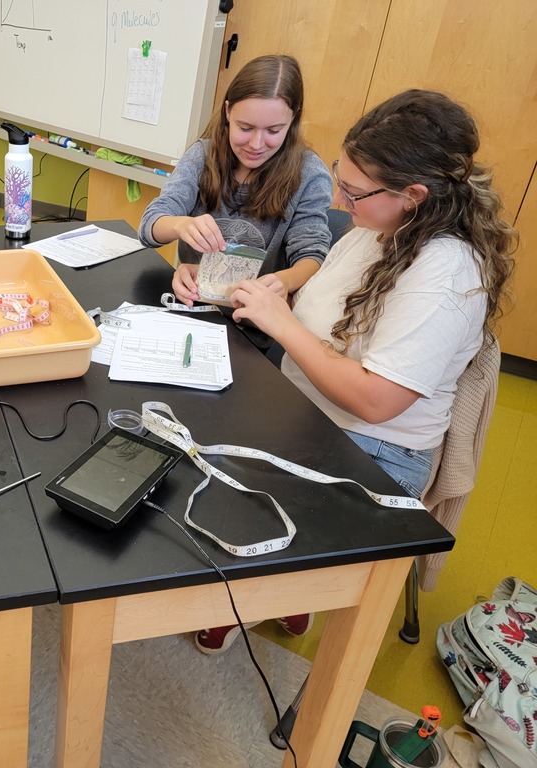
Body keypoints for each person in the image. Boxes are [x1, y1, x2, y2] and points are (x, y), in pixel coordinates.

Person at [198, 89, 516, 655]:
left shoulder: (444, 273)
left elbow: (376, 401)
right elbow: (324, 319)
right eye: (340, 179)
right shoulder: (378, 230)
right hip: (306, 411)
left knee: (223, 499)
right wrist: (252, 292)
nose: (338, 200)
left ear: (413, 196)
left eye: (353, 191)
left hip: (373, 448)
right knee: (199, 441)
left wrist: (281, 324)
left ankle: (274, 591)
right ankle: (284, 592)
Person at [138, 54, 332, 348]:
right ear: (228, 111)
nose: (256, 144)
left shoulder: (309, 174)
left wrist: (285, 281)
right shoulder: (203, 156)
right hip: (192, 313)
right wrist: (180, 225)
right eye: (245, 128)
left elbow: (313, 256)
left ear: (293, 119)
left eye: (273, 131)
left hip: (252, 331)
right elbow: (150, 226)